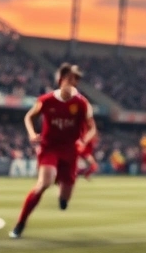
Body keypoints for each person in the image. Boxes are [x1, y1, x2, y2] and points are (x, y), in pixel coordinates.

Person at [12, 63, 96, 239]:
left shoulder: (82, 103)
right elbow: (29, 116)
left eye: (76, 80)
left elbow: (92, 128)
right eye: (71, 79)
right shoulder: (46, 100)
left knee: (66, 195)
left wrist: (83, 140)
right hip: (49, 148)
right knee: (44, 183)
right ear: (61, 80)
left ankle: (63, 197)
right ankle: (20, 224)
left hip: (70, 150)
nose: (74, 83)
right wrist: (31, 133)